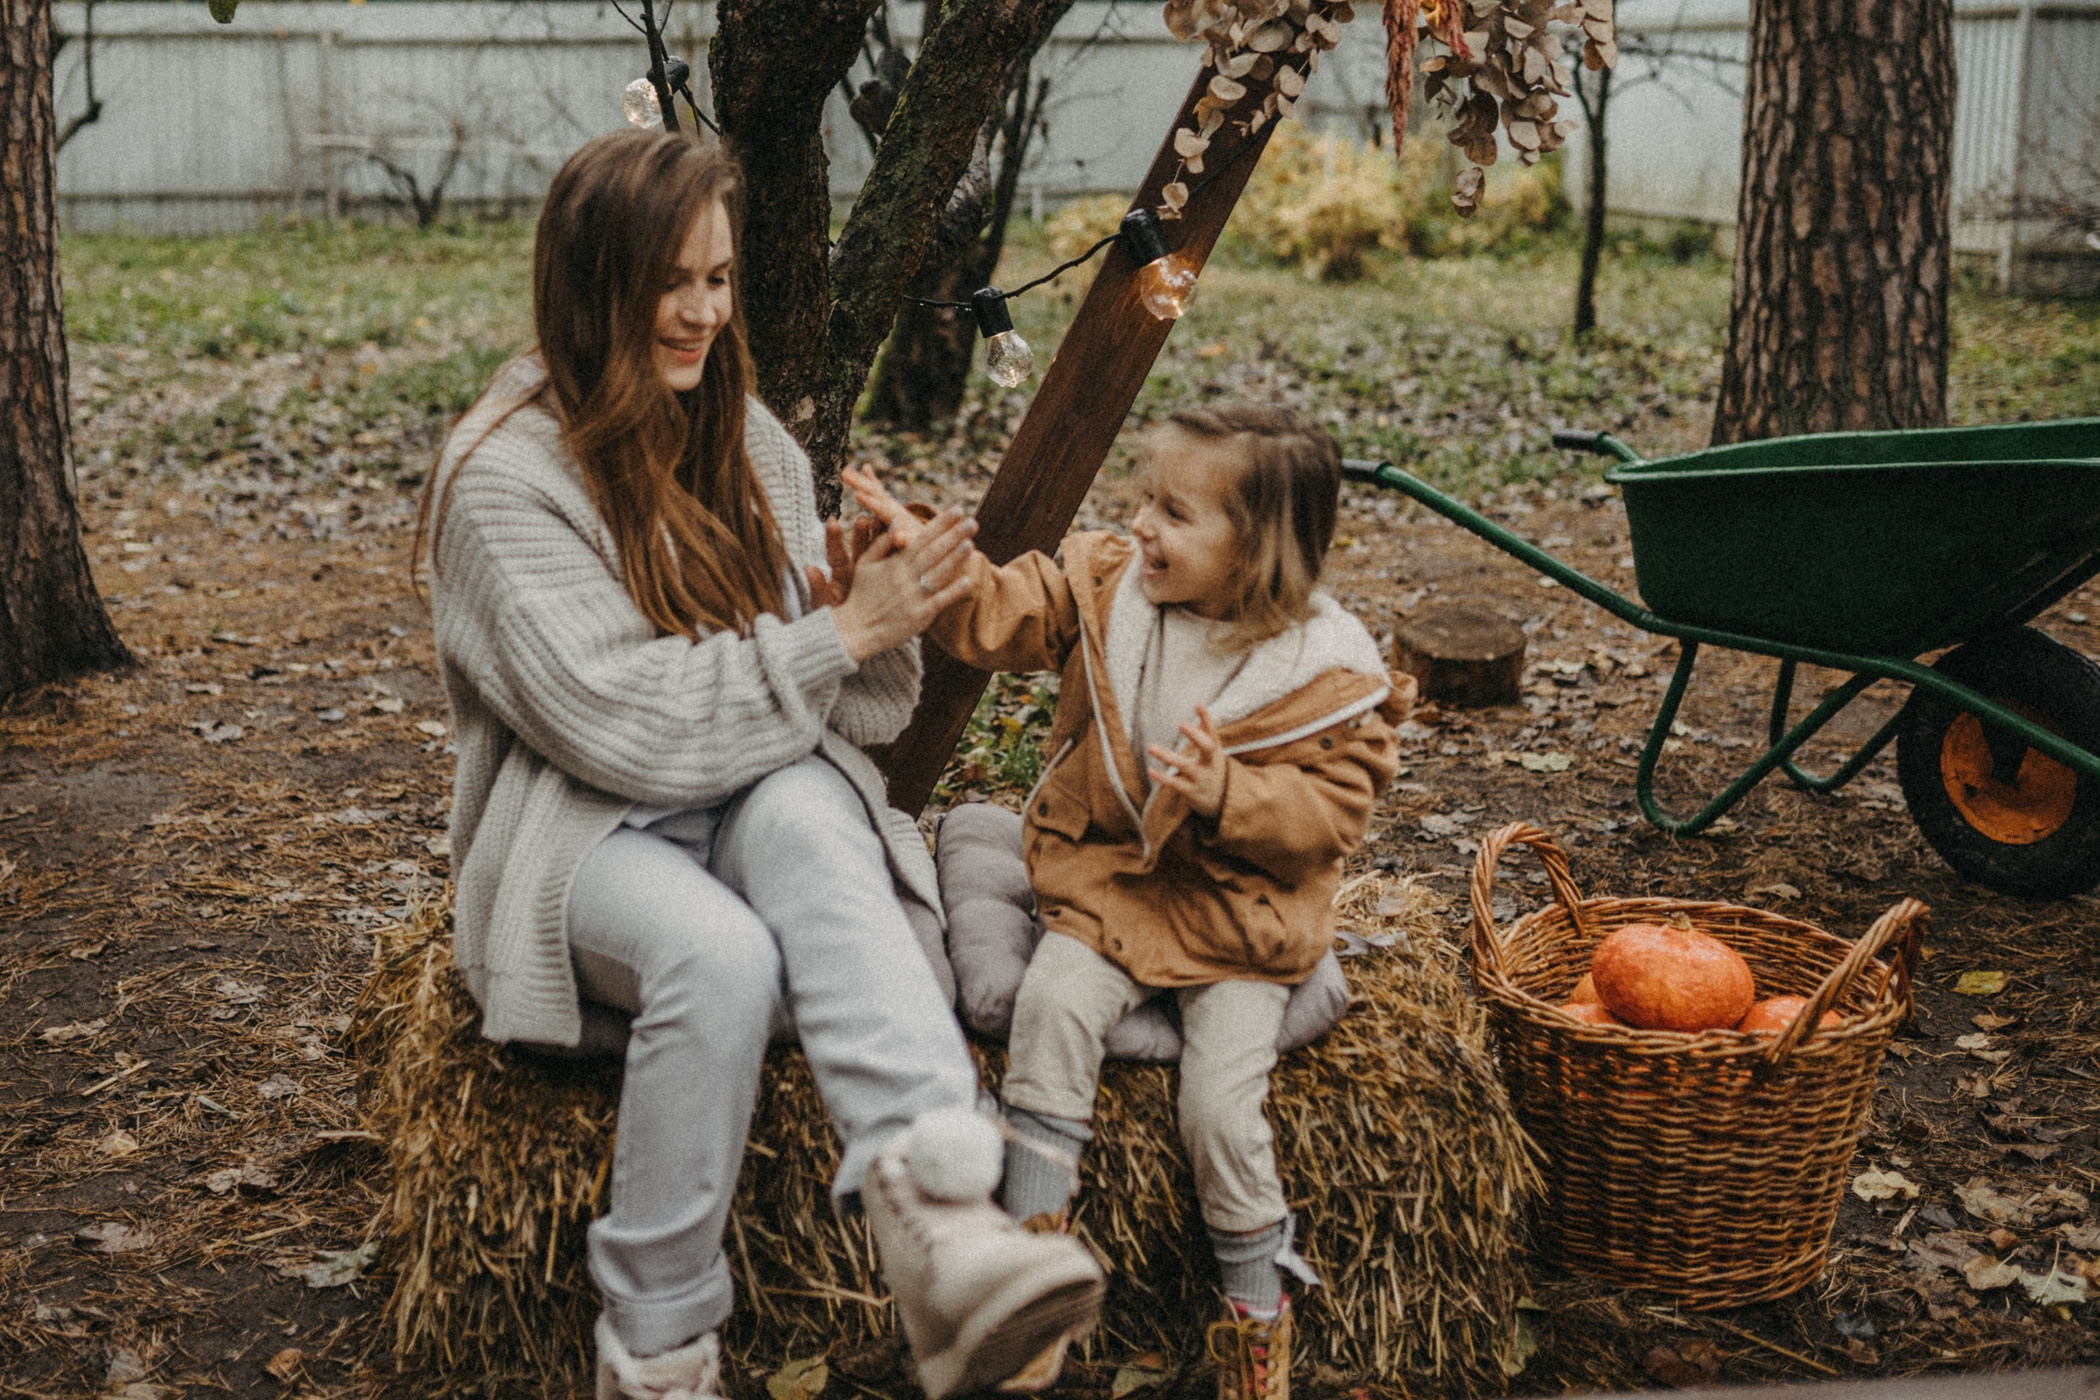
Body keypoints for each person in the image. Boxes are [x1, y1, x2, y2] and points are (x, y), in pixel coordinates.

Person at [417, 130, 1101, 1400]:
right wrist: (839, 631)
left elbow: (852, 718)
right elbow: (615, 719)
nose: (699, 312)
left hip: (750, 785)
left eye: (719, 279)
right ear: (589, 284)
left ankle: (944, 1221)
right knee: (719, 958)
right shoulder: (500, 478)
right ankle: (659, 1346)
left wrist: (863, 610)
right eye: (668, 281)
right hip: (585, 829)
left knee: (807, 810)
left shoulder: (743, 439)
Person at [843, 406, 1413, 1400]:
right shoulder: (1110, 585)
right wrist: (922, 558)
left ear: (1260, 552)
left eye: (1177, 512)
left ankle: (1252, 1311)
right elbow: (1002, 609)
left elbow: (1326, 821)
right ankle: (1026, 1266)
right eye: (1146, 497)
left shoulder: (1328, 674)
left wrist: (1228, 795)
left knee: (1220, 1111)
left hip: (1241, 919)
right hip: (1109, 880)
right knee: (1051, 1011)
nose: (1143, 523)